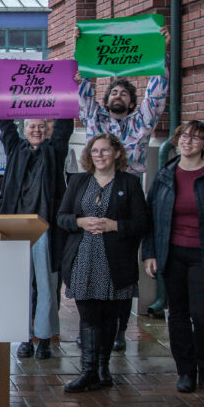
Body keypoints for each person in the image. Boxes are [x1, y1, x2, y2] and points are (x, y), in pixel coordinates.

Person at [76, 29, 168, 350]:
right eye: (113, 91)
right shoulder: (94, 118)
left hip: (127, 194)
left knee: (124, 264)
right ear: (106, 99)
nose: (118, 95)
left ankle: (119, 329)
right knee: (88, 258)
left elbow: (156, 98)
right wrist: (82, 48)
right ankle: (89, 325)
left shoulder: (141, 122)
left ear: (131, 101)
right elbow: (83, 90)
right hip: (94, 191)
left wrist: (161, 53)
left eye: (124, 93)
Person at [143, 121, 204, 398]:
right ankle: (186, 372)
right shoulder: (165, 174)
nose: (188, 141)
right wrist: (149, 252)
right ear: (177, 140)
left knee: (203, 316)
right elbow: (150, 218)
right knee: (177, 315)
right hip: (172, 254)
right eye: (184, 136)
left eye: (196, 138)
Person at [57, 134, 147, 392]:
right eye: (95, 151)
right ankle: (88, 371)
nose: (99, 155)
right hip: (83, 257)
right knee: (88, 317)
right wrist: (80, 222)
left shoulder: (129, 183)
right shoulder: (78, 182)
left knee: (109, 318)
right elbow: (61, 217)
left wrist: (114, 225)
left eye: (105, 150)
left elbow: (142, 223)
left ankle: (103, 369)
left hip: (114, 261)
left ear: (117, 153)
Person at [0, 115, 74, 359]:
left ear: (48, 129)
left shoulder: (56, 150)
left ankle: (44, 338)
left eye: (41, 126)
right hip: (18, 228)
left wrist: (69, 88)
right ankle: (25, 337)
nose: (37, 130)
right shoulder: (15, 148)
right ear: (24, 129)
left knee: (47, 286)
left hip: (45, 228)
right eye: (32, 126)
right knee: (21, 287)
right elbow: (4, 122)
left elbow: (65, 124)